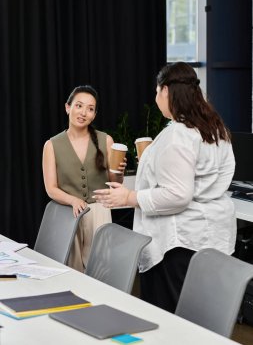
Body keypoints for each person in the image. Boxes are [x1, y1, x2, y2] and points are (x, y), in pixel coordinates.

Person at [93, 62, 236, 313]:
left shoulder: (178, 134)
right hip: (211, 237)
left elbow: (178, 195)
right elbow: (211, 176)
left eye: (156, 91)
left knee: (169, 321)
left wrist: (128, 196)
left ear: (166, 91)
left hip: (178, 245)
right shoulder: (215, 128)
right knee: (201, 317)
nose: (155, 97)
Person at [42, 85, 126, 272]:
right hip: (69, 214)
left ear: (94, 115)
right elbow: (51, 188)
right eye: (79, 106)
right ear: (67, 107)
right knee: (73, 269)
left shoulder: (106, 140)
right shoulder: (51, 145)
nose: (83, 113)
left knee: (102, 270)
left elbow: (116, 183)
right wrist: (72, 200)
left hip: (100, 212)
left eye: (90, 109)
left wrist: (119, 173)